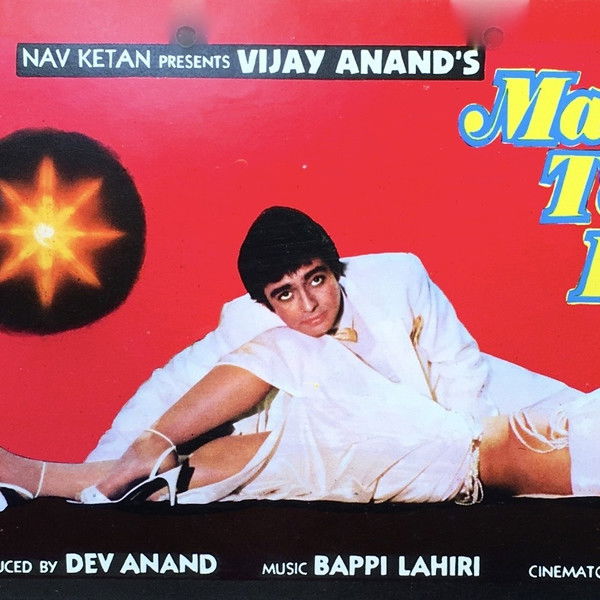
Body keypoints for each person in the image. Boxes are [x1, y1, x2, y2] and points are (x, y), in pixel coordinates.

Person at [0, 207, 594, 509]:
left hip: (460, 411)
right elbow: (169, 387)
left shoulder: (398, 277)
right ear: (264, 301)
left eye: (316, 279)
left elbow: (460, 367)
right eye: (284, 294)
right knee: (292, 405)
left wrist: (449, 437)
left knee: (573, 420)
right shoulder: (252, 326)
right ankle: (82, 477)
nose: (309, 305)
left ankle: (54, 479)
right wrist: (117, 459)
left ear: (335, 269)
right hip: (347, 427)